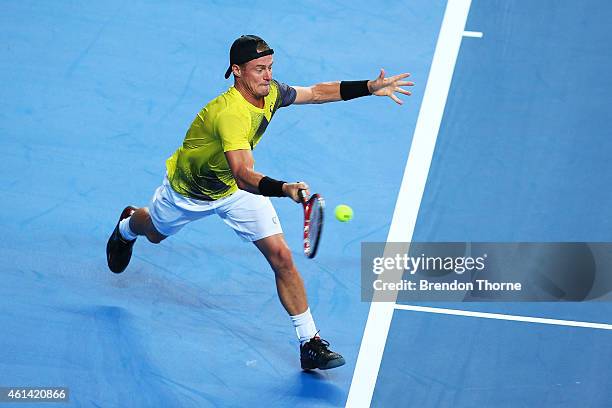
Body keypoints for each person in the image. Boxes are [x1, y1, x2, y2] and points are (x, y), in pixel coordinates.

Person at [106, 35, 413, 370]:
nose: (267, 76)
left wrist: (368, 86)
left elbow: (317, 92)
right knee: (153, 231)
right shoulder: (230, 115)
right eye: (259, 70)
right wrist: (284, 188)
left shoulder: (271, 93)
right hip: (190, 192)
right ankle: (126, 227)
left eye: (270, 68)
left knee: (281, 256)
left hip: (233, 192)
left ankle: (309, 343)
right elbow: (242, 174)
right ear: (237, 71)